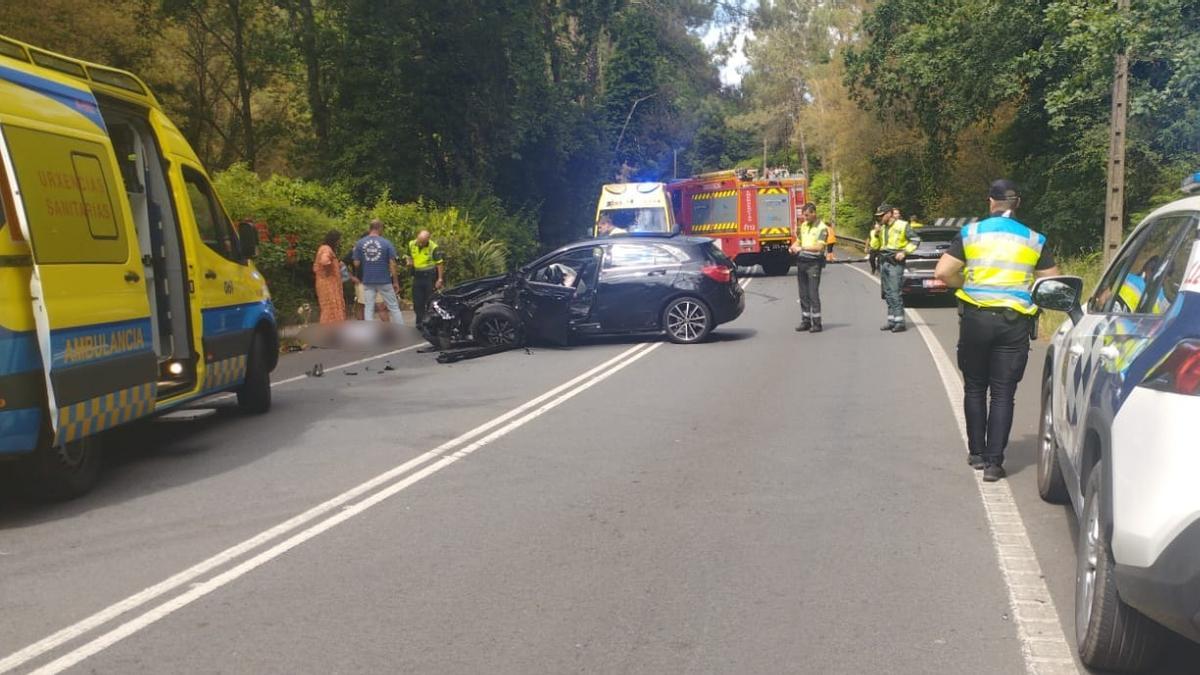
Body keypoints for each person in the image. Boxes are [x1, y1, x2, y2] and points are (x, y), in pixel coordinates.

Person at [934, 179, 1060, 482]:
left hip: (976, 320)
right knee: (1004, 393)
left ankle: (976, 452)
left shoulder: (971, 234)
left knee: (975, 387)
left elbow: (942, 272)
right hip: (1013, 323)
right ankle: (994, 463)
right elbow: (1052, 283)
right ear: (1018, 204)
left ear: (990, 201)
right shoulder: (1034, 239)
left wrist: (968, 284)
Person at [878, 203, 919, 332]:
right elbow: (881, 244)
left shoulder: (902, 225)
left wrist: (904, 252)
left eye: (882, 215)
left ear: (889, 213)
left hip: (895, 262)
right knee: (887, 293)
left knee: (895, 293)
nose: (880, 218)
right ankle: (892, 321)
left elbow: (915, 240)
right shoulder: (883, 227)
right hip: (884, 261)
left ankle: (900, 322)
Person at [789, 203, 830, 333]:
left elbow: (819, 247)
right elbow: (799, 241)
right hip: (801, 262)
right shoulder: (804, 226)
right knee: (803, 294)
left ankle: (817, 323)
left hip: (813, 263)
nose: (805, 218)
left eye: (807, 215)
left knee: (813, 294)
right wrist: (793, 247)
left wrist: (802, 248)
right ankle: (806, 321)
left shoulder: (822, 228)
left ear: (814, 213)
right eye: (803, 215)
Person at [352, 219, 403, 324]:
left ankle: (369, 333)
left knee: (369, 308)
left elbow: (356, 263)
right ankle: (400, 331)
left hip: (368, 280)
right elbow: (392, 264)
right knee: (393, 307)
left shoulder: (360, 243)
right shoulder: (386, 243)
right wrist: (396, 281)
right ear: (380, 228)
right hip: (384, 279)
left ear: (369, 228)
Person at [406, 229, 445, 325]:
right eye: (419, 241)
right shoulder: (412, 244)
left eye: (423, 242)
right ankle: (420, 323)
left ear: (428, 239)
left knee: (430, 301)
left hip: (429, 277)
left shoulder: (433, 247)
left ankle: (431, 323)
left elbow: (439, 264)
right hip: (417, 276)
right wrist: (409, 261)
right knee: (417, 302)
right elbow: (408, 255)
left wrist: (439, 279)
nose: (420, 243)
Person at [312, 230, 347, 324]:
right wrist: (328, 271)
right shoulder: (326, 249)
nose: (339, 242)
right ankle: (331, 332)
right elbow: (324, 261)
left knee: (330, 307)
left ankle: (332, 332)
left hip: (326, 282)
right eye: (339, 240)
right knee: (331, 308)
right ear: (334, 240)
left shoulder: (323, 248)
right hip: (328, 283)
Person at [867, 208, 885, 275]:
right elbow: (869, 239)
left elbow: (878, 236)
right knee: (871, 259)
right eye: (876, 226)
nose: (876, 227)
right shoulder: (872, 232)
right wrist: (867, 247)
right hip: (873, 248)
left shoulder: (881, 231)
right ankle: (873, 269)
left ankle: (878, 269)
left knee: (880, 260)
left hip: (880, 248)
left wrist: (879, 231)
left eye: (878, 227)